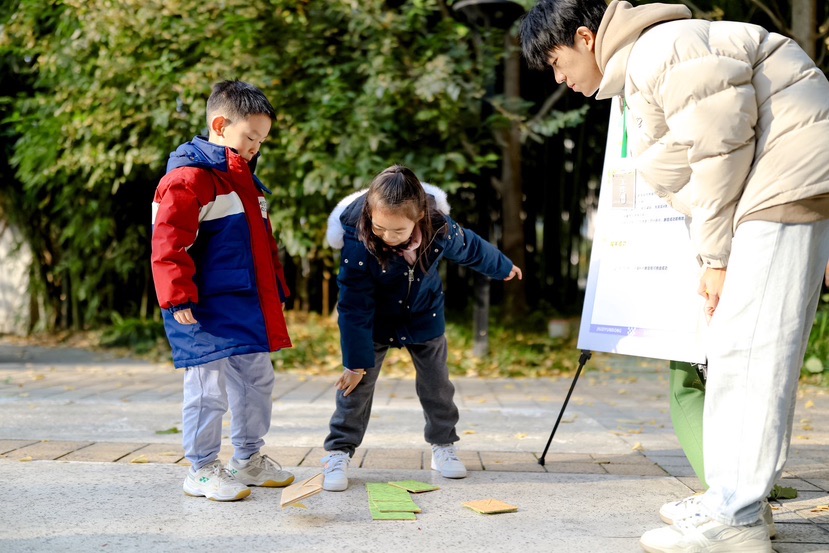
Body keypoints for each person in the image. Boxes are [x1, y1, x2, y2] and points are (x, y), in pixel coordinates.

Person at [520, 1, 829, 551]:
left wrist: (715, 258)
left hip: (780, 182)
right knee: (742, 349)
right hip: (779, 182)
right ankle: (734, 501)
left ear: (586, 37)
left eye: (557, 62)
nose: (560, 78)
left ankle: (737, 515)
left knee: (749, 352)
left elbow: (720, 148)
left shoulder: (661, 50)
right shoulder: (649, 61)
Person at [320, 165, 523, 491]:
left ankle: (443, 445)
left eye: (397, 231)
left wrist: (503, 266)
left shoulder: (440, 229)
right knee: (355, 387)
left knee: (437, 384)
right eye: (380, 227)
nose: (386, 236)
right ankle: (338, 452)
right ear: (370, 213)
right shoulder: (358, 238)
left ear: (420, 219)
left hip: (424, 315)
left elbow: (472, 248)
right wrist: (355, 362)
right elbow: (354, 304)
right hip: (374, 323)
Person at [151, 80, 295, 501]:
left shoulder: (243, 180)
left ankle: (248, 458)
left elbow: (263, 246)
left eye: (262, 140)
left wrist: (278, 290)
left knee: (257, 379)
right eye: (250, 136)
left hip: (245, 301)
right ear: (220, 124)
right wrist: (177, 297)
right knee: (206, 387)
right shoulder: (187, 180)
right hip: (201, 306)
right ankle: (200, 469)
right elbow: (168, 244)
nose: (256, 146)